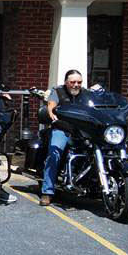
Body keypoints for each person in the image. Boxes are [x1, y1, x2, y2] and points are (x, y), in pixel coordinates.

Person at [39, 69, 91, 206]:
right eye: (72, 82)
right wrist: (52, 114)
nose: (76, 85)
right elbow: (51, 107)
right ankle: (47, 192)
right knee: (54, 153)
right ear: (66, 82)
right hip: (62, 128)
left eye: (79, 82)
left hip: (82, 131)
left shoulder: (86, 94)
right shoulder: (57, 91)